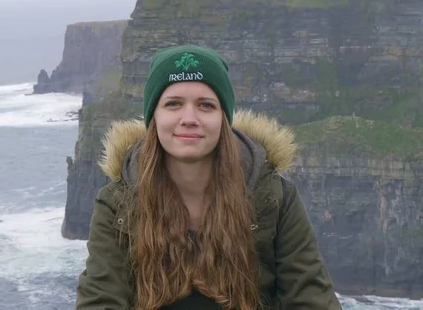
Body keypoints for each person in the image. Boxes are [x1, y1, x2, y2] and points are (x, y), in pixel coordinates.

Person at [74, 44, 342, 310]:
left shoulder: (273, 196)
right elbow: (99, 301)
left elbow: (311, 298)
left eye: (206, 105)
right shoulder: (117, 203)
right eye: (173, 104)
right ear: (153, 117)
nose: (189, 118)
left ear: (223, 118)